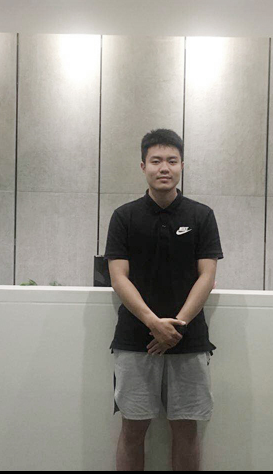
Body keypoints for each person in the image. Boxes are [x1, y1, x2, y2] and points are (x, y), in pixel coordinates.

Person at [104, 128, 224, 471]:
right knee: (132, 430)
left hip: (189, 339)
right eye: (156, 161)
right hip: (135, 339)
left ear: (182, 165)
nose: (164, 168)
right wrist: (153, 323)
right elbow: (118, 277)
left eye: (172, 160)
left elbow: (207, 276)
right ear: (143, 166)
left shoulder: (201, 216)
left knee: (186, 430)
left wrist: (178, 326)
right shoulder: (124, 217)